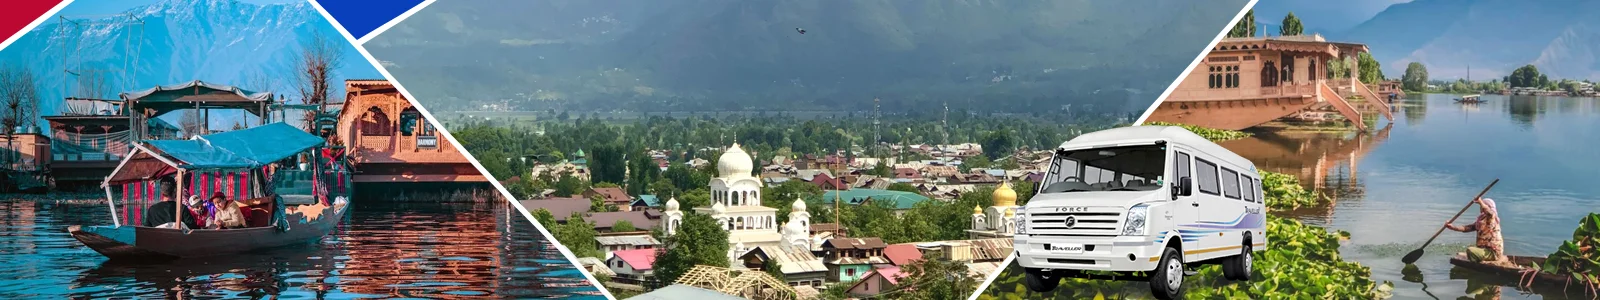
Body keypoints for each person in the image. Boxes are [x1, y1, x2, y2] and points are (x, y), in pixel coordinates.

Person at [1445, 197, 1509, 266]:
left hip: (1493, 252)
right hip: (1485, 250)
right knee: (1471, 249)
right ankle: (1477, 257)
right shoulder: (1481, 220)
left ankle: (1477, 264)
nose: (1480, 207)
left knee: (1470, 250)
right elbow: (1467, 228)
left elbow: (1490, 213)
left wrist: (1481, 202)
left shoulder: (1491, 218)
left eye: (1483, 206)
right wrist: (1453, 227)